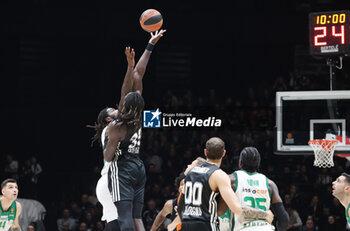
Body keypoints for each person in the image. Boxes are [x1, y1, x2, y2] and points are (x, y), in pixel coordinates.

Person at [101, 29, 166, 231]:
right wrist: (149, 47)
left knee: (125, 217)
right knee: (136, 217)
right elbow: (139, 74)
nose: (116, 105)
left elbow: (109, 158)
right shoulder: (137, 114)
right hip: (138, 166)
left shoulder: (117, 124)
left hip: (122, 169)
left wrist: (131, 66)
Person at [178, 137, 274, 231]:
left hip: (186, 225)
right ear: (224, 153)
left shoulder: (191, 172)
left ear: (205, 152)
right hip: (205, 224)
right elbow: (237, 209)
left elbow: (180, 206)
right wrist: (264, 214)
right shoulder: (219, 175)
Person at [229, 147, 289, 231]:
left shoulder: (231, 180)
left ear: (240, 162)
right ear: (258, 164)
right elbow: (284, 220)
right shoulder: (269, 184)